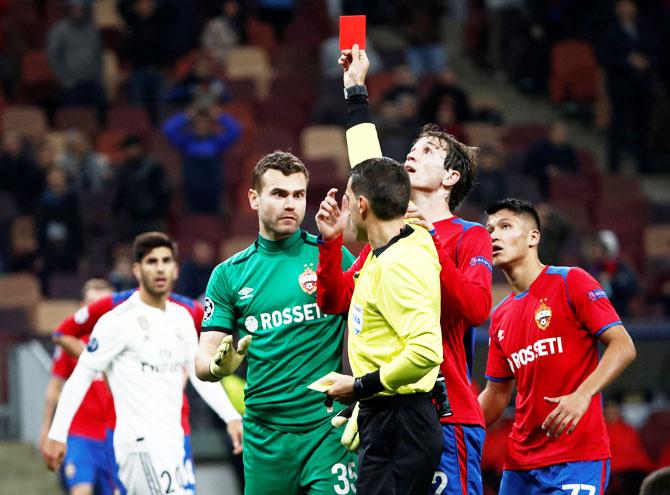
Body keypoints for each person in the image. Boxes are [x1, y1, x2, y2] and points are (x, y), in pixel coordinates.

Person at [318, 44, 492, 495]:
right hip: (389, 409)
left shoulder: (467, 236)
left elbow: (475, 308)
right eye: (412, 147)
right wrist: (355, 90)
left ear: (451, 177)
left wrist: (428, 240)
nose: (413, 153)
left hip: (448, 409)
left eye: (429, 149)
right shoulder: (386, 245)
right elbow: (336, 300)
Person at [195, 151, 358, 495]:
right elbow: (202, 361)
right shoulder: (229, 275)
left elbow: (370, 330)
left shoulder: (332, 257)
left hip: (327, 427)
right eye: (279, 194)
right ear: (253, 198)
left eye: (298, 195)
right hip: (265, 436)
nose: (291, 204)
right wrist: (217, 366)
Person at [43, 232, 241, 494]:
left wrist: (231, 417)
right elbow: (80, 377)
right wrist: (57, 433)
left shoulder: (181, 317)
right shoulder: (118, 321)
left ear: (176, 268)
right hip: (139, 445)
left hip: (175, 442)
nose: (160, 268)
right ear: (137, 270)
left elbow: (197, 374)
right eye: (151, 261)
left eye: (166, 260)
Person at [478, 198, 637, 494]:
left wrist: (583, 394)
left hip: (577, 456)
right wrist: (453, 433)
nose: (494, 236)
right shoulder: (499, 315)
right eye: (488, 230)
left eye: (505, 226)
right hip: (520, 464)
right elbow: (497, 392)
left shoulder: (571, 281)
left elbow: (623, 346)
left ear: (533, 237)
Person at [321, 158, 444, 494]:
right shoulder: (403, 241)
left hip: (400, 422)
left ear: (362, 205)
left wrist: (361, 386)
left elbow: (425, 351)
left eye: (348, 198)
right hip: (388, 414)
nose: (344, 207)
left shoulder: (397, 265)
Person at [40, 278, 116, 495]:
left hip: (116, 435)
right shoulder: (70, 341)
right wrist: (48, 428)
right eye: (91, 304)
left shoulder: (124, 340)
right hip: (80, 433)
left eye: (102, 305)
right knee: (80, 490)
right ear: (82, 306)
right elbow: (55, 386)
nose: (97, 311)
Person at [162, 104, 241, 213]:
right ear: (193, 125)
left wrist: (218, 116)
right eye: (198, 123)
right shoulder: (187, 142)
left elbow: (235, 130)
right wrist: (186, 116)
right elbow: (168, 129)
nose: (202, 126)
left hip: (213, 190)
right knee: (194, 224)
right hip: (192, 191)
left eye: (205, 123)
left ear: (210, 125)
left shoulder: (217, 142)